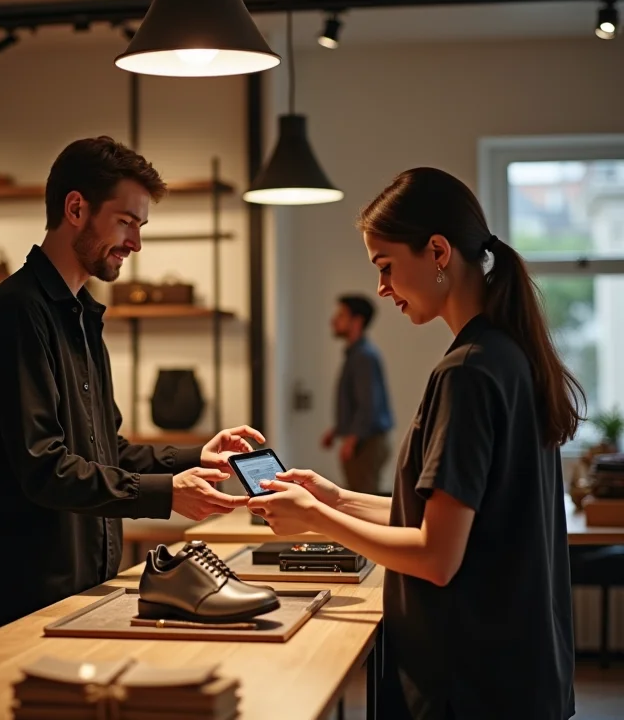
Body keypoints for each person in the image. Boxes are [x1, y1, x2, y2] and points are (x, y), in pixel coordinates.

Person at [249, 167, 581, 720]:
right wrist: (334, 499)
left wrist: (317, 520)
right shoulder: (506, 356)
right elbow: (450, 521)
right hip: (515, 678)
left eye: (385, 267)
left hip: (472, 686)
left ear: (437, 252)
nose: (382, 289)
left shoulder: (467, 372)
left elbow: (436, 557)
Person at [0, 136, 260, 637]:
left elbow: (103, 451)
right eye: (126, 222)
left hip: (81, 586)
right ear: (76, 208)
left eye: (140, 227)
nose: (135, 243)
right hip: (24, 595)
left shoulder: (82, 316)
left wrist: (194, 458)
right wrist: (165, 494)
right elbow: (44, 469)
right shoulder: (16, 313)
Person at [321, 294, 393, 494]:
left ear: (357, 321)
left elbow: (369, 404)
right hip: (365, 440)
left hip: (367, 443)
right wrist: (337, 430)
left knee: (363, 501)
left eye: (341, 315)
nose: (334, 320)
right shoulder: (356, 355)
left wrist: (352, 439)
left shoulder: (364, 356)